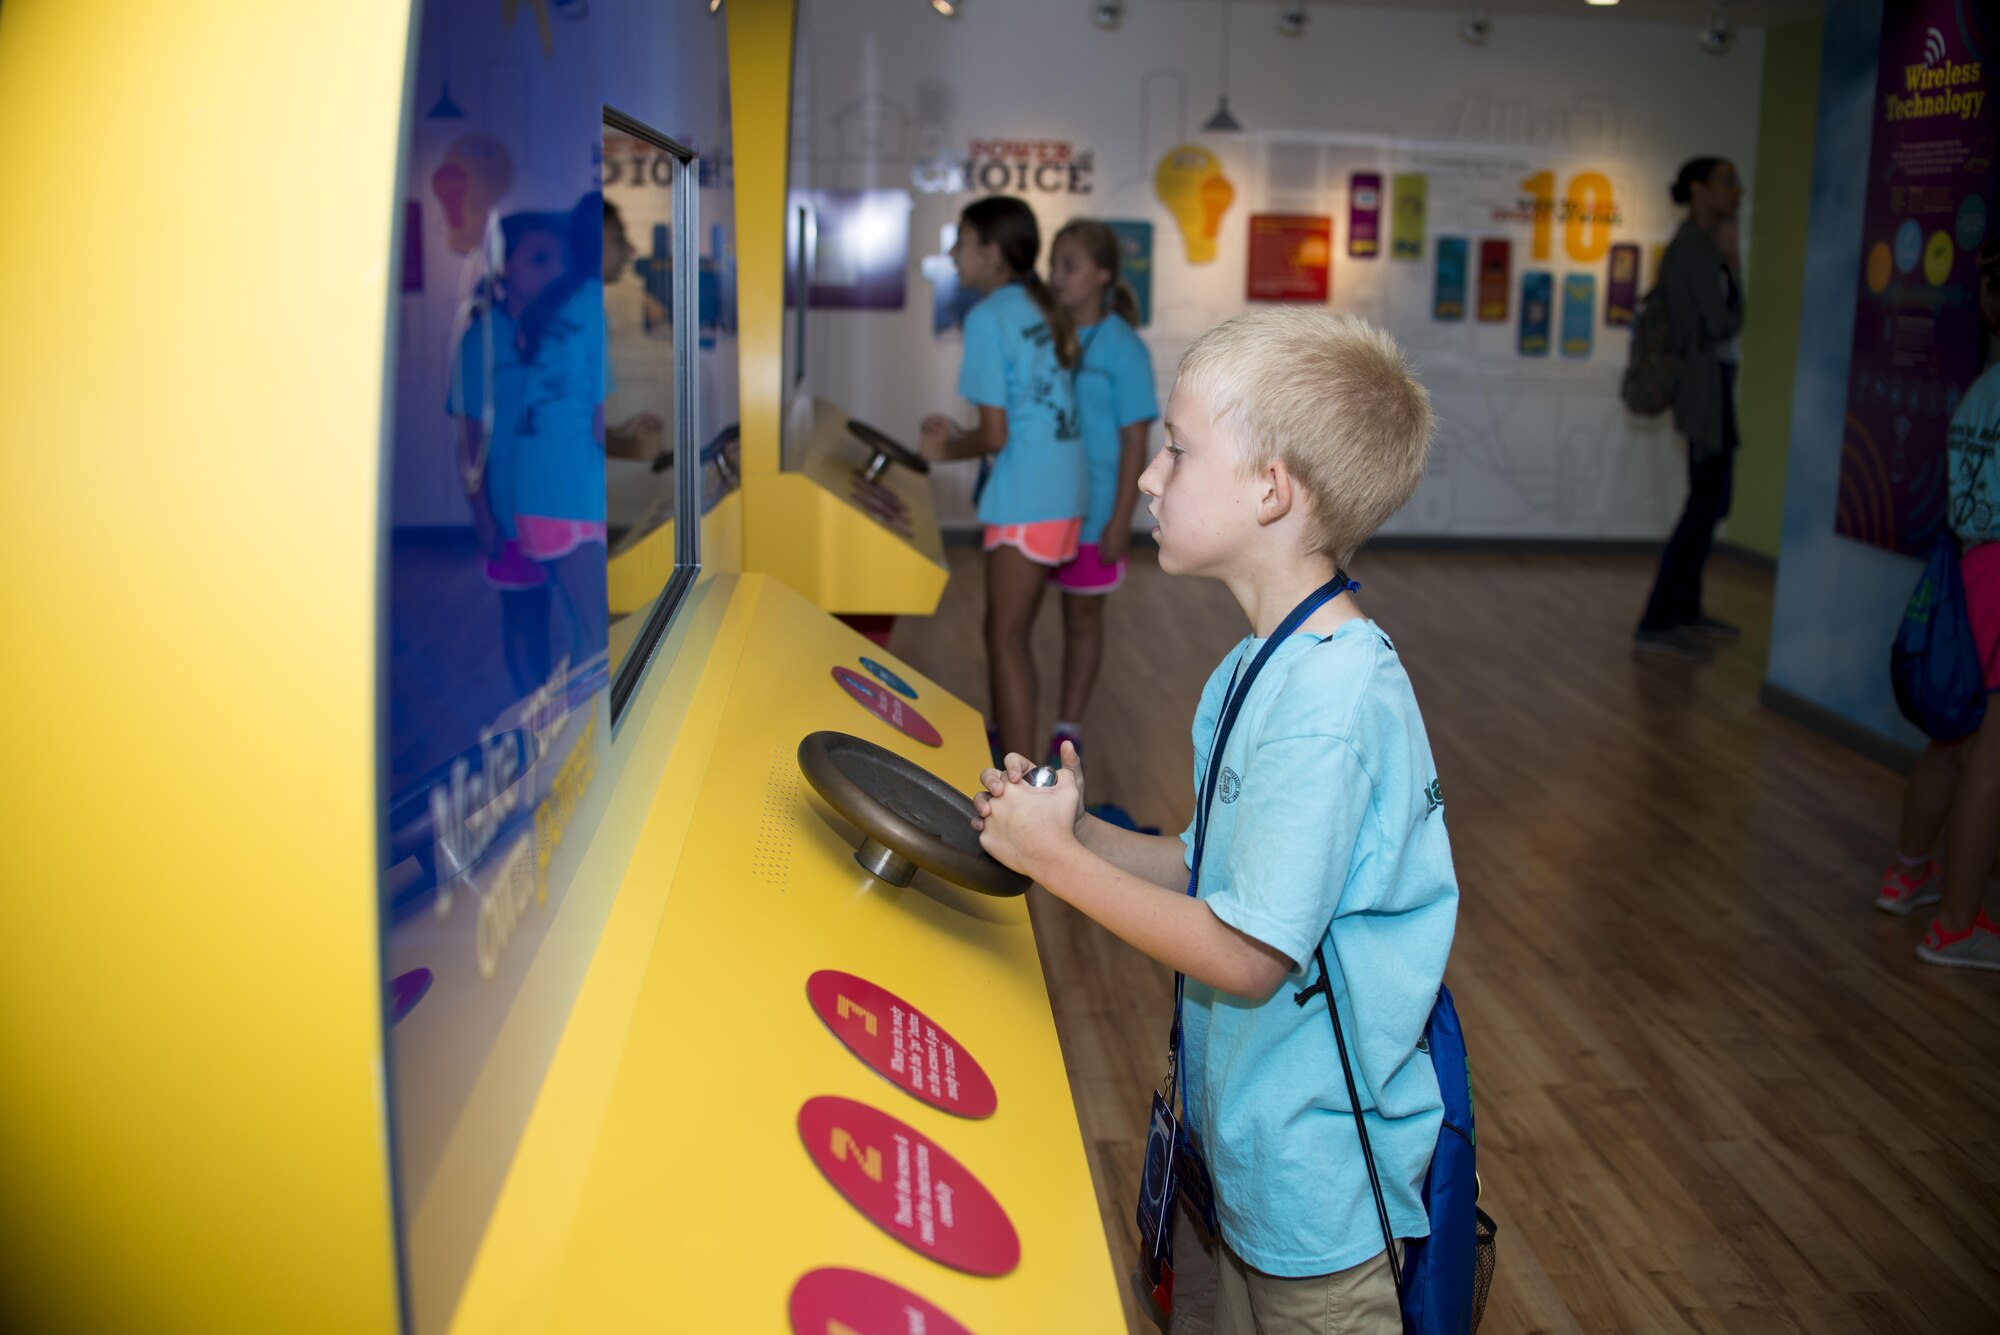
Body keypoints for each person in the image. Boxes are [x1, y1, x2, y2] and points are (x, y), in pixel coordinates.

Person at [972, 309, 1456, 1334]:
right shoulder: (1256, 664)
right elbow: (1210, 866)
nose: (1148, 478)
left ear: (1271, 489)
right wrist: (1080, 832)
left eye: (1179, 452)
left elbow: (1243, 953)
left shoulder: (1328, 707)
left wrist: (1056, 866)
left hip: (1320, 1198)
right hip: (1247, 1157)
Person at [919, 196, 1086, 760]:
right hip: (1060, 487)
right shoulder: (1037, 304)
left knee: (1005, 639)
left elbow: (994, 436)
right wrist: (961, 435)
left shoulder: (988, 317)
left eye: (962, 243)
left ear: (992, 252)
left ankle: (1021, 780)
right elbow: (1022, 414)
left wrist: (944, 448)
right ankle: (1012, 754)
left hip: (1027, 495)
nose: (953, 254)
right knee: (1011, 635)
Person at [1878, 242, 2000, 970]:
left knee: (1953, 741)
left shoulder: (1982, 388)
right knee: (1992, 758)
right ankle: (1958, 926)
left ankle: (1907, 874)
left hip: (1970, 572)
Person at [1043, 219, 1158, 763]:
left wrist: (1119, 519)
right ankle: (1002, 717)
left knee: (1081, 621)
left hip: (1094, 514)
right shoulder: (1043, 337)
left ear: (1104, 274)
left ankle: (1068, 726)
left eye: (1070, 265)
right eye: (1053, 264)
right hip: (1040, 508)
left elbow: (1135, 438)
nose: (1056, 275)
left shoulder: (1123, 347)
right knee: (1014, 621)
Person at [447, 210, 566, 695]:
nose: (554, 270)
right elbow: (469, 441)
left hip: (566, 509)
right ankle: (533, 715)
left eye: (558, 259)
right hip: (510, 512)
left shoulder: (566, 334)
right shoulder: (481, 340)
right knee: (525, 617)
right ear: (504, 268)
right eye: (539, 259)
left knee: (572, 622)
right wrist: (483, 518)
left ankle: (568, 716)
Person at [1635, 157, 1745, 662]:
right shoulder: (1696, 249)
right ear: (1698, 189)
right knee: (1704, 502)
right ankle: (1658, 618)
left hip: (1711, 388)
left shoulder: (1698, 246)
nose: (1735, 190)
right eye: (1725, 181)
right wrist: (1733, 265)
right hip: (1704, 393)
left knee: (1712, 500)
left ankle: (1684, 609)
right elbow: (1722, 323)